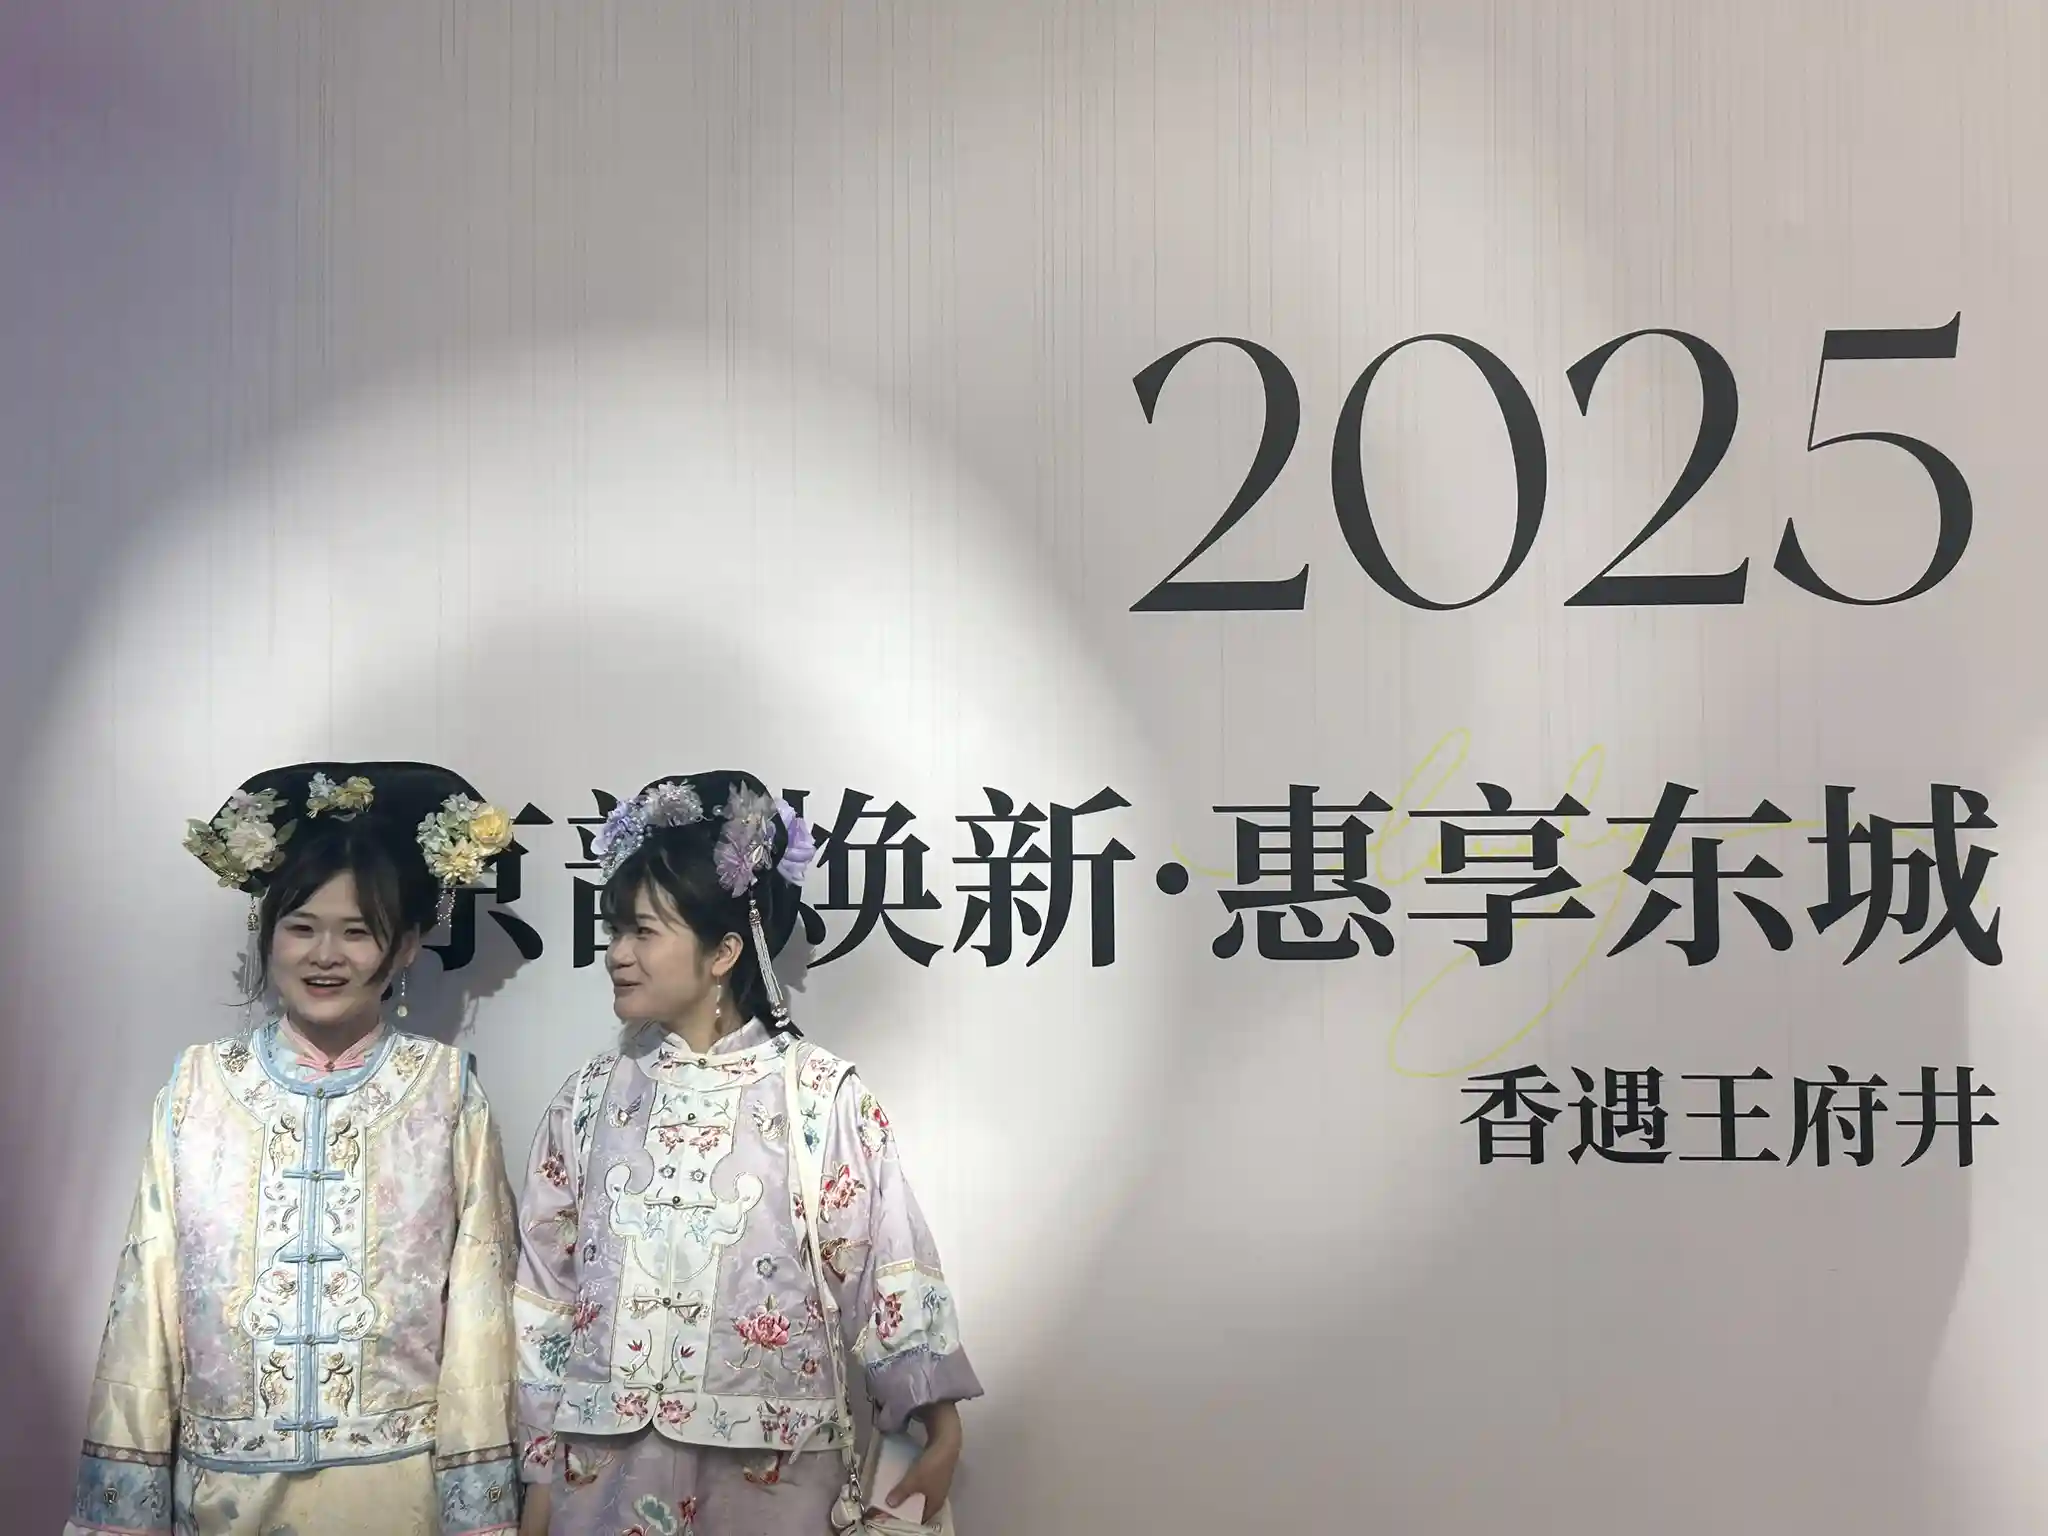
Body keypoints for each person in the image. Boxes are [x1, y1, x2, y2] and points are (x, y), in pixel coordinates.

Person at [512, 771, 981, 1536]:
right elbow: (543, 1297)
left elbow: (885, 1267)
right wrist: (539, 1477)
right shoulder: (588, 1100)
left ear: (724, 950)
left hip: (771, 1482)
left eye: (643, 932)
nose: (617, 955)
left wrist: (940, 1426)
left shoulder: (819, 1098)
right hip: (602, 1478)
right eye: (614, 932)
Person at [65, 762, 527, 1536]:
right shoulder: (199, 1088)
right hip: (223, 1494)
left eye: (358, 932)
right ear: (268, 933)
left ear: (405, 947)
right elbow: (146, 1298)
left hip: (396, 1494)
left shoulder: (445, 1093)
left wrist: (477, 1508)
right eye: (302, 927)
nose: (325, 955)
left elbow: (481, 1310)